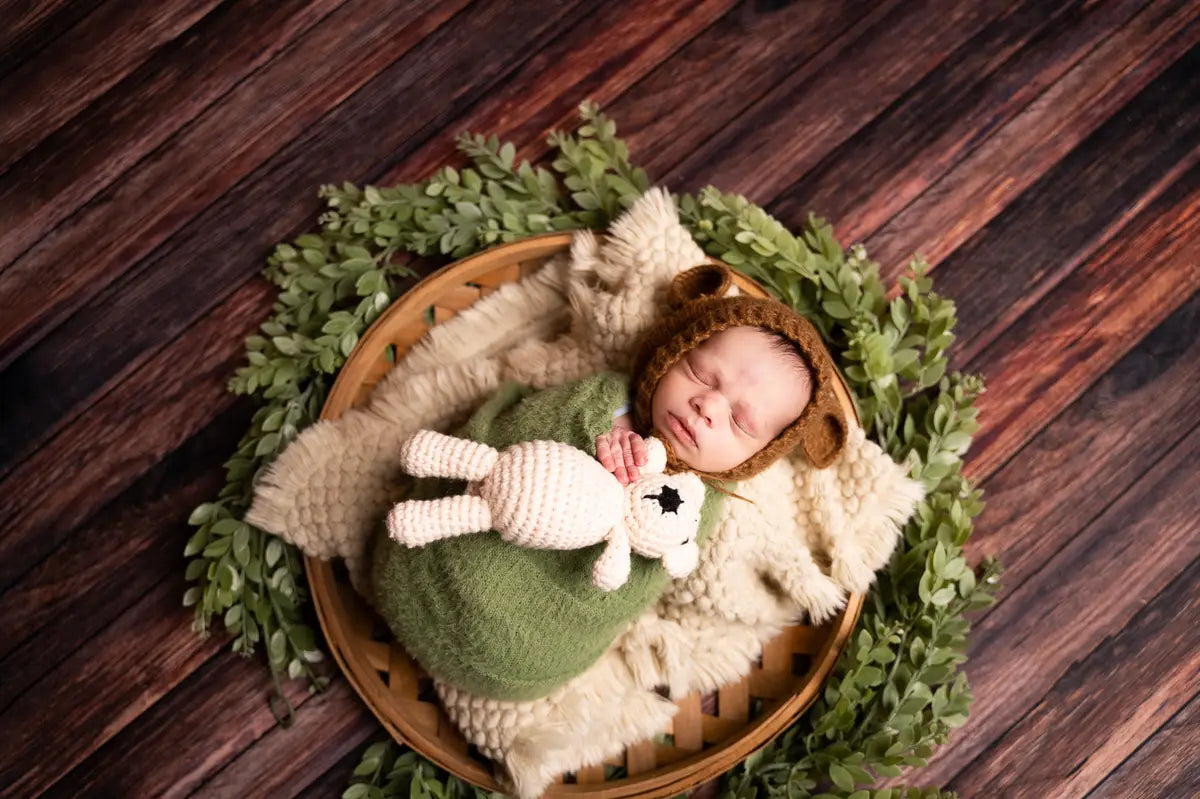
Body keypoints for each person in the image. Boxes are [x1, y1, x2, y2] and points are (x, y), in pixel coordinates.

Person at [596, 263, 847, 486]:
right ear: (671, 354)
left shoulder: (705, 502)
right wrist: (606, 428)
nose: (708, 407)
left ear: (761, 454)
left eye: (740, 422)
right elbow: (561, 409)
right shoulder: (606, 396)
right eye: (701, 375)